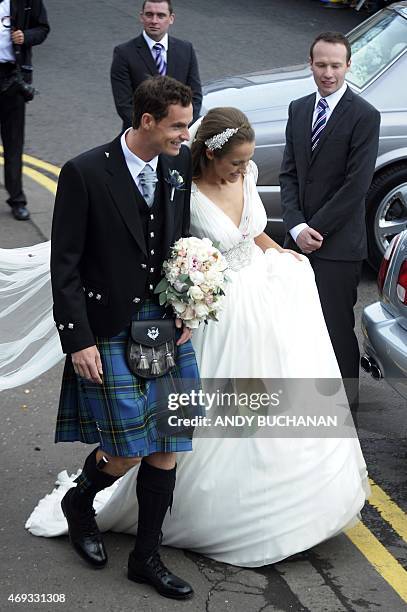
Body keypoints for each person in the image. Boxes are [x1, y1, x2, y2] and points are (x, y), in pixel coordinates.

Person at [26, 107, 369, 568]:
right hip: (212, 315)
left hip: (264, 302)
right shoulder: (179, 185)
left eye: (247, 162)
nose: (244, 170)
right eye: (236, 162)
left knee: (276, 407)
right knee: (191, 425)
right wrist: (188, 293)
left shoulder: (243, 178)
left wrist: (280, 252)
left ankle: (275, 505)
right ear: (209, 153)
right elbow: (159, 249)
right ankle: (144, 513)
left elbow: (255, 233)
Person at [49, 76, 201, 600]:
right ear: (147, 122)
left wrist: (187, 302)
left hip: (162, 323)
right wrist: (77, 339)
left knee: (168, 441)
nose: (187, 134)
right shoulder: (86, 172)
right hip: (108, 325)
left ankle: (146, 558)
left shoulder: (177, 166)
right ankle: (78, 503)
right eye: (178, 125)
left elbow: (179, 240)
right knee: (128, 451)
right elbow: (64, 264)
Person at [279, 32, 381, 416]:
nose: (328, 73)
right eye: (321, 65)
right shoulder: (299, 109)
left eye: (335, 66)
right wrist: (295, 227)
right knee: (299, 327)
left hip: (337, 247)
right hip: (297, 241)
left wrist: (314, 229)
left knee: (336, 329)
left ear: (348, 66)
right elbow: (289, 175)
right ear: (311, 64)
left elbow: (356, 186)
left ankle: (344, 412)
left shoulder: (365, 115)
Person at [111, 0, 202, 131]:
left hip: (178, 136)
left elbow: (195, 95)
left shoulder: (186, 50)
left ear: (171, 18)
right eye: (149, 14)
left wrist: (179, 127)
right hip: (141, 136)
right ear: (141, 17)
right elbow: (124, 105)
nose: (154, 20)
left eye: (160, 15)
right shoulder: (124, 53)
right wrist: (151, 131)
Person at [0, 0, 49, 220]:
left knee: (13, 143)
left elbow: (43, 28)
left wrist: (25, 37)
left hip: (13, 77)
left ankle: (17, 199)